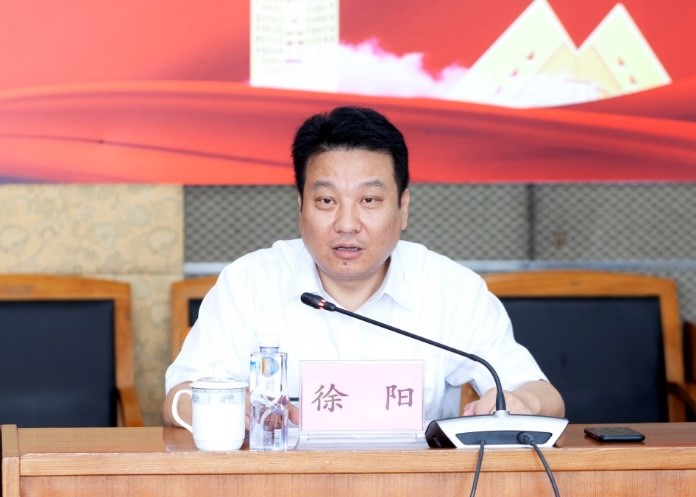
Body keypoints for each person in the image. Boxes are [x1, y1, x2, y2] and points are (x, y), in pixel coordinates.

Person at [163, 106, 564, 428]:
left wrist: (520, 402)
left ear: (403, 208)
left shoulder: (451, 289)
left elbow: (545, 397)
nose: (347, 224)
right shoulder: (249, 283)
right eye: (326, 201)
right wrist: (234, 407)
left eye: (369, 201)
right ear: (300, 206)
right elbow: (177, 399)